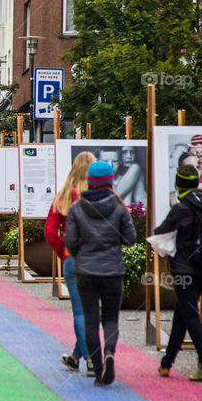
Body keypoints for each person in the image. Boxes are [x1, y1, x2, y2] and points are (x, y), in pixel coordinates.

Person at [64, 161, 137, 386]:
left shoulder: (77, 208)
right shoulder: (119, 207)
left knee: (91, 320)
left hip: (85, 270)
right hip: (112, 269)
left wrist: (81, 252)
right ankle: (110, 353)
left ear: (90, 181)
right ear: (110, 181)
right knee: (110, 319)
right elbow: (130, 239)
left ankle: (97, 369)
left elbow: (69, 241)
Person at [154, 165, 202, 381]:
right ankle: (166, 363)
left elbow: (161, 231)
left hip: (183, 269)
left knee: (189, 316)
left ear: (178, 185)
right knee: (181, 315)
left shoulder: (180, 208)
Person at [44, 151, 96, 377]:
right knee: (91, 310)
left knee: (80, 311)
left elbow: (49, 232)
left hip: (72, 258)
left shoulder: (64, 195)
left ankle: (84, 357)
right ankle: (85, 356)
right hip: (96, 258)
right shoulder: (98, 195)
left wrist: (63, 251)